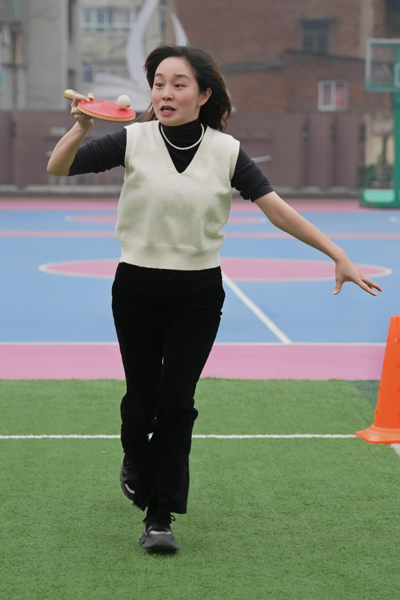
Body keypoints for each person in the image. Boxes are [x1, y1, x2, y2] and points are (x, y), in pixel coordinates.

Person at [47, 44, 383, 554]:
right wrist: (81, 128)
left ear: (204, 95)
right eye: (159, 83)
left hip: (198, 293)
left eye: (178, 84)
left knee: (177, 402)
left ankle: (159, 517)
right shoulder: (133, 139)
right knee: (141, 402)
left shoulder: (226, 151)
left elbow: (277, 209)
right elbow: (58, 167)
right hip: (136, 286)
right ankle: (134, 453)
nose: (165, 93)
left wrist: (337, 253)